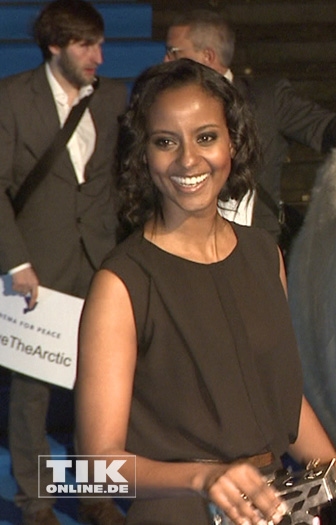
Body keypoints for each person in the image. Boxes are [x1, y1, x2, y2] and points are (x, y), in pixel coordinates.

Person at [74, 59, 336, 525]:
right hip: (177, 512)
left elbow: (285, 401)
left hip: (278, 504)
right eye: (166, 142)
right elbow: (89, 471)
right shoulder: (121, 283)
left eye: (206, 137)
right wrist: (200, 479)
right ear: (142, 155)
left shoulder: (265, 254)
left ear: (234, 142)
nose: (189, 160)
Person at [0, 1, 127, 523]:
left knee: (101, 388)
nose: (97, 55)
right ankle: (36, 503)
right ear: (55, 46)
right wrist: (16, 264)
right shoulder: (12, 98)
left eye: (99, 44)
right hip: (37, 269)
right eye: (84, 45)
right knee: (31, 395)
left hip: (102, 265)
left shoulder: (116, 97)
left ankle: (96, 496)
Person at [164, 10, 336, 237]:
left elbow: (320, 124)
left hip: (255, 243)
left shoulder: (268, 99)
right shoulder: (162, 104)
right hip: (183, 238)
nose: (166, 60)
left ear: (208, 56)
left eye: (173, 52)